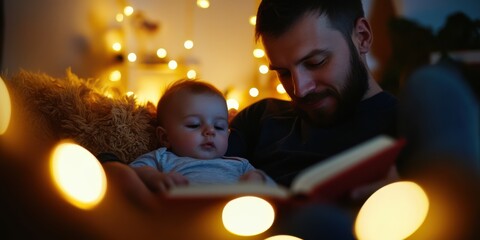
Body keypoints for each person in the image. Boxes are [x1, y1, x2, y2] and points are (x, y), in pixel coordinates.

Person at [129, 79, 275, 193]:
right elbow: (131, 173)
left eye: (219, 127)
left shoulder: (240, 164)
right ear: (165, 137)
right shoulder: (162, 158)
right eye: (194, 124)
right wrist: (154, 177)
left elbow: (274, 190)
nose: (210, 131)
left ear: (228, 134)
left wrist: (258, 179)